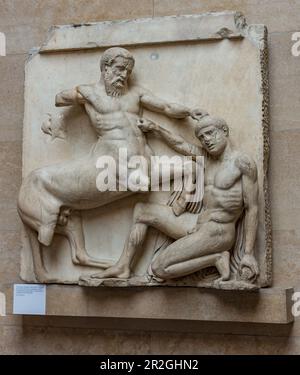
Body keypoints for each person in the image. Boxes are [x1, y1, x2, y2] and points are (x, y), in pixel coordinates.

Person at [17, 47, 203, 282]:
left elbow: (166, 107)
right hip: (111, 164)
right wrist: (81, 96)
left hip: (138, 161)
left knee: (191, 167)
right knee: (164, 173)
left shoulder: (136, 95)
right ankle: (44, 267)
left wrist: (189, 112)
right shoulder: (90, 93)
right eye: (119, 69)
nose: (123, 75)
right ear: (105, 69)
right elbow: (59, 98)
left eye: (127, 71)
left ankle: (180, 210)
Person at [88, 115, 259, 283]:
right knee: (142, 211)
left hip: (218, 232)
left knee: (159, 268)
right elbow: (180, 144)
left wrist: (249, 254)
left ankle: (216, 258)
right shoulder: (207, 158)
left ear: (224, 131)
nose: (206, 140)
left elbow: (252, 208)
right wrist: (155, 128)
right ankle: (123, 267)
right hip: (197, 223)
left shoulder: (242, 163)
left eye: (210, 133)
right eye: (201, 137)